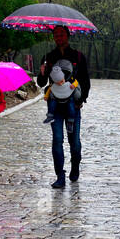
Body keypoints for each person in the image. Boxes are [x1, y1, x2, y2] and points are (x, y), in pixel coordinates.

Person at [36, 25, 91, 189]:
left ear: (68, 36)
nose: (58, 37)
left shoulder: (78, 56)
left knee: (74, 142)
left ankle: (75, 165)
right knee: (57, 140)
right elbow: (41, 83)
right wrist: (42, 72)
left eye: (61, 34)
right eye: (55, 35)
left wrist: (81, 99)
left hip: (73, 105)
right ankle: (60, 175)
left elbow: (85, 81)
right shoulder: (48, 57)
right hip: (56, 108)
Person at [42, 61, 82, 126]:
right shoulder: (54, 84)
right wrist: (46, 96)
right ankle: (50, 115)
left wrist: (74, 85)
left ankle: (71, 121)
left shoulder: (70, 78)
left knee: (71, 106)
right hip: (57, 100)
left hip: (69, 95)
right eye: (58, 83)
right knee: (52, 101)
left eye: (62, 81)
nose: (61, 84)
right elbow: (50, 89)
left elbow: (76, 81)